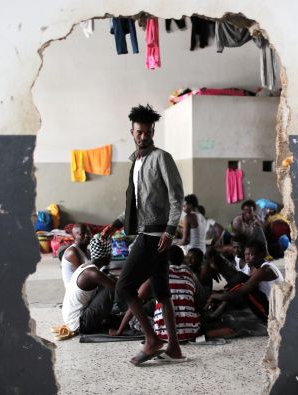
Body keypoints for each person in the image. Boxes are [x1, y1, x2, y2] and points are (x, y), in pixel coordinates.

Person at [101, 104, 186, 365]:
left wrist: (170, 231)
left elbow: (177, 197)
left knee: (124, 287)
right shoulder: (135, 161)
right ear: (132, 131)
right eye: (139, 132)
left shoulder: (162, 157)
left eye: (148, 132)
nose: (144, 137)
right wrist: (116, 223)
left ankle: (152, 339)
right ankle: (174, 348)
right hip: (147, 232)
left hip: (155, 236)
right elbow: (136, 203)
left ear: (153, 132)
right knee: (162, 292)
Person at [207, 239, 283, 323]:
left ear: (262, 254)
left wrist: (213, 296)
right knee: (240, 279)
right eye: (246, 254)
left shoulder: (265, 270)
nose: (247, 257)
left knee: (241, 280)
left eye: (251, 254)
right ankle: (216, 307)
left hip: (272, 315)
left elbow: (238, 293)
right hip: (269, 306)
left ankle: (215, 313)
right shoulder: (260, 267)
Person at [55, 237, 116, 340]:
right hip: (79, 324)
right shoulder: (93, 273)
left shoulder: (87, 268)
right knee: (111, 289)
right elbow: (118, 290)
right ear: (107, 257)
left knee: (109, 283)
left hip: (71, 319)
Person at [60, 223, 92, 288]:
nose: (86, 236)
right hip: (76, 291)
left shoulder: (88, 250)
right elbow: (83, 276)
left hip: (85, 287)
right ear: (74, 236)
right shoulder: (72, 252)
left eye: (88, 233)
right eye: (82, 234)